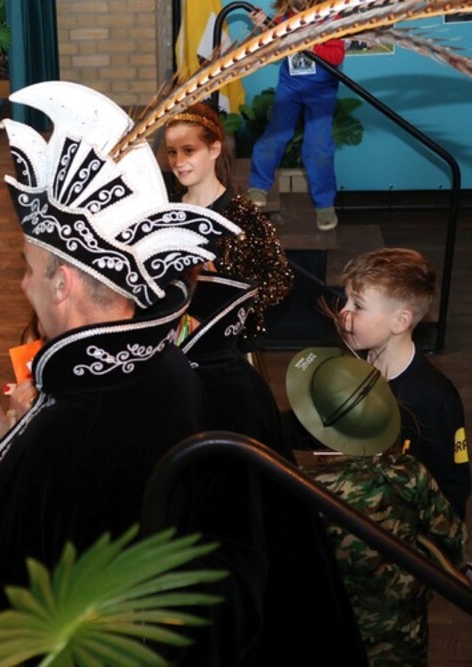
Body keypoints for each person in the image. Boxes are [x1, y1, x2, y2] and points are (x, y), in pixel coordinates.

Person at [0, 81, 241, 651]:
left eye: (27, 269)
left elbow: (6, 555)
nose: (22, 284)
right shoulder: (161, 362)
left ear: (62, 283)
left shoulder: (80, 413)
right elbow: (62, 486)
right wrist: (2, 432)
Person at [166, 105, 367, 664]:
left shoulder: (242, 216)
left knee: (245, 481)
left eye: (188, 150)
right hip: (180, 364)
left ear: (214, 150)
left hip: (228, 365)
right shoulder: (166, 211)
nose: (179, 161)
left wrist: (228, 296)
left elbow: (276, 280)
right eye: (172, 152)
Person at [286, 347, 467, 665]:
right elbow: (452, 538)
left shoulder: (302, 490)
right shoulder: (410, 473)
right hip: (403, 631)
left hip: (326, 633)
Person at [339, 247, 471, 519]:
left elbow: (451, 487)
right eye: (346, 300)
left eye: (357, 306)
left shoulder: (434, 397)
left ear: (400, 322)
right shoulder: (350, 365)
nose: (343, 312)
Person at [246, 0, 346, 231]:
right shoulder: (285, 16)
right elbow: (274, 48)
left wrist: (311, 44)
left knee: (318, 145)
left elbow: (337, 55)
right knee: (276, 134)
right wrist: (264, 26)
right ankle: (258, 186)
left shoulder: (331, 17)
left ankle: (324, 204)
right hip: (290, 87)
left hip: (321, 91)